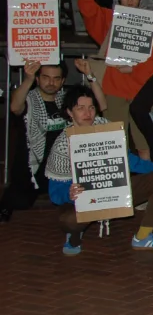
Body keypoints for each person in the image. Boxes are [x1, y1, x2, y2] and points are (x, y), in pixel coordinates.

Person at [45, 86, 153, 255]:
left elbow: (126, 159)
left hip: (114, 191)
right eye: (80, 108)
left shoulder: (106, 128)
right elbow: (54, 191)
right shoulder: (62, 145)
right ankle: (74, 236)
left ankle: (144, 235)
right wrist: (68, 193)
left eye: (91, 107)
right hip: (83, 200)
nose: (88, 113)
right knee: (68, 220)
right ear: (70, 112)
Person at [1, 60, 105, 222]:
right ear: (37, 79)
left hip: (63, 163)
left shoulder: (67, 101)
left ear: (63, 81)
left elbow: (101, 106)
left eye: (56, 78)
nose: (51, 82)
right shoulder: (29, 99)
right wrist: (27, 78)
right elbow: (15, 107)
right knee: (19, 201)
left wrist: (90, 75)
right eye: (46, 77)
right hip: (34, 165)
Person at [79, 0, 153, 157]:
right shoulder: (109, 18)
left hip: (142, 91)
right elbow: (85, 6)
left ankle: (147, 184)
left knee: (145, 144)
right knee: (113, 144)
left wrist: (134, 69)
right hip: (113, 89)